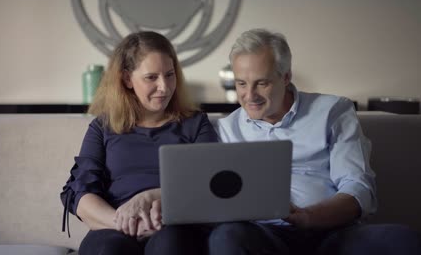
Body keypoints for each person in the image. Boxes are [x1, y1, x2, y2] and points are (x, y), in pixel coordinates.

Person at [214, 28, 421, 255]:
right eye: (241, 83)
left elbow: (358, 188)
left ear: (286, 77)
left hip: (332, 232)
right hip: (263, 236)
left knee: (402, 239)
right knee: (227, 236)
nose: (250, 95)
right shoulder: (226, 129)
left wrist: (309, 217)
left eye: (261, 83)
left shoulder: (333, 111)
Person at [60, 31, 218, 255]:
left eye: (170, 74)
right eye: (151, 77)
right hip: (113, 224)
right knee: (107, 249)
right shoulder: (103, 127)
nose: (164, 87)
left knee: (170, 245)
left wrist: (150, 196)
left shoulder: (195, 124)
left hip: (175, 226)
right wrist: (125, 223)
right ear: (127, 79)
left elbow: (210, 183)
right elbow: (81, 194)